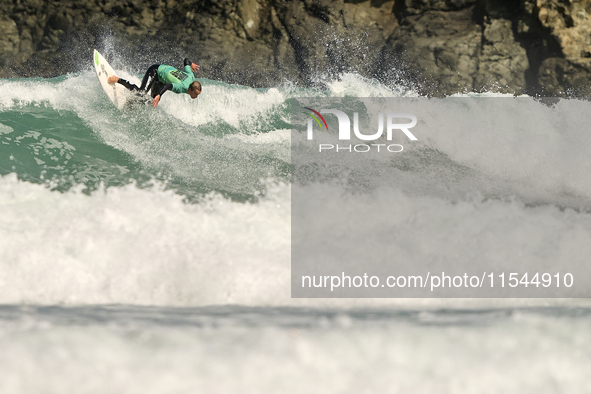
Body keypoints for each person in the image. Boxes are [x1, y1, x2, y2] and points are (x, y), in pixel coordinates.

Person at [107, 58, 201, 108]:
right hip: (155, 71)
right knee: (142, 92)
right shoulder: (181, 87)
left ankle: (131, 103)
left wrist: (191, 63)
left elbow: (186, 61)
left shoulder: (191, 76)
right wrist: (159, 95)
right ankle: (117, 79)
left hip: (161, 79)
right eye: (195, 94)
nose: (196, 96)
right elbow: (167, 86)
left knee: (151, 101)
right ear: (190, 89)